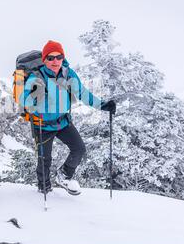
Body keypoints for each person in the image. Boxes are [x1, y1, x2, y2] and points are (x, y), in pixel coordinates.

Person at [21, 40, 116, 195]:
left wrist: (103, 105)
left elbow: (83, 94)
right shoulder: (35, 77)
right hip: (42, 125)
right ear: (44, 60)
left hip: (63, 122)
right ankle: (44, 190)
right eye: (50, 58)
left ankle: (64, 175)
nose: (55, 61)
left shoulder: (68, 74)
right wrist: (34, 97)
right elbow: (25, 102)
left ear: (62, 58)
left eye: (58, 57)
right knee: (45, 160)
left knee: (79, 149)